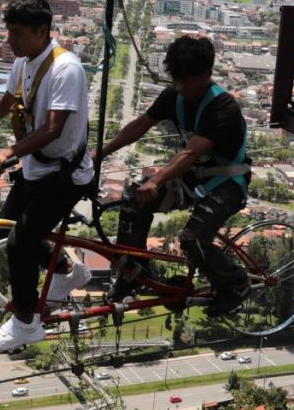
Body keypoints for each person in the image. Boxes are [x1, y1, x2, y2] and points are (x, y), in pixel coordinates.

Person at [0, 0, 94, 351]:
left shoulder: (65, 68)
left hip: (65, 175)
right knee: (2, 227)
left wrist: (8, 152)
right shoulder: (25, 62)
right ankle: (65, 273)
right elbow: (6, 103)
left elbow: (53, 128)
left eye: (17, 33)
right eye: (8, 32)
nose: (9, 41)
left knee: (21, 242)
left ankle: (26, 323)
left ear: (42, 31)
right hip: (38, 167)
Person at [96, 35, 251, 318]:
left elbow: (190, 153)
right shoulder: (174, 96)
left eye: (188, 82)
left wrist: (156, 181)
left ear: (207, 75)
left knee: (193, 239)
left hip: (228, 182)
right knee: (133, 202)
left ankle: (235, 285)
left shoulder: (223, 108)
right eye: (177, 80)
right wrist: (101, 153)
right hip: (194, 176)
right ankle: (133, 272)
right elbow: (140, 125)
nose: (181, 88)